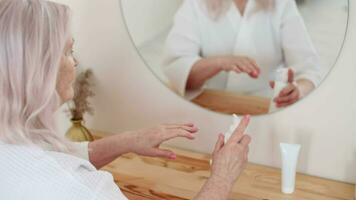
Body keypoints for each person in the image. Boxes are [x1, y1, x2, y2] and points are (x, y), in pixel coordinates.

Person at [0, 0, 251, 199]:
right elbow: (179, 69)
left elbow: (51, 155)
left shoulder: (14, 150)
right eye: (68, 51)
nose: (75, 61)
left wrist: (129, 141)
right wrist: (222, 177)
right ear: (39, 72)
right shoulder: (79, 189)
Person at [163, 0, 321, 108]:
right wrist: (218, 62)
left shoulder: (281, 3)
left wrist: (298, 90)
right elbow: (179, 70)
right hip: (211, 105)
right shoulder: (195, 4)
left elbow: (308, 69)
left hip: (268, 106)